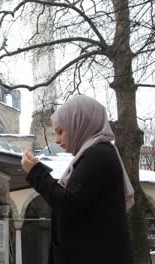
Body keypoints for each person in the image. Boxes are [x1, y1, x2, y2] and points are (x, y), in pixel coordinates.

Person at [21, 95, 135, 264]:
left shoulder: (97, 155)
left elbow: (68, 203)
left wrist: (36, 173)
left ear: (80, 123)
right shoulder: (96, 154)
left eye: (61, 131)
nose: (57, 140)